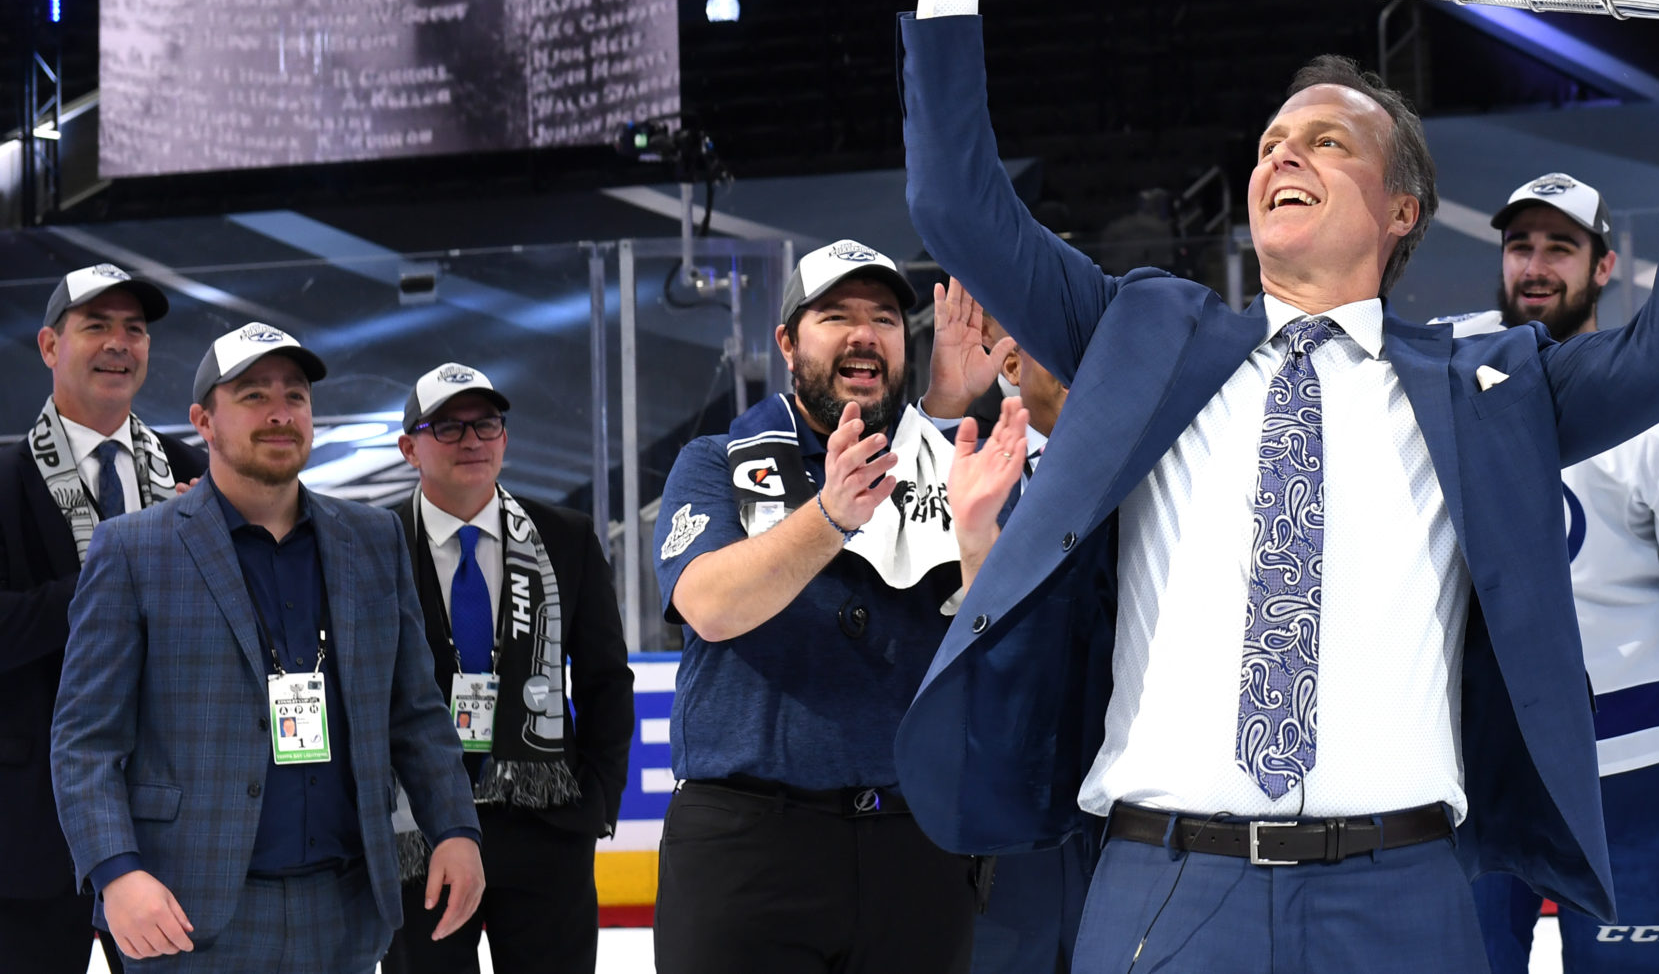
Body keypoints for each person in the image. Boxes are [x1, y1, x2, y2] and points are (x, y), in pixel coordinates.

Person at [887, 0, 1659, 973]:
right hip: (1162, 885)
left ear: (1403, 210)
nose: (1279, 156)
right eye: (1268, 143)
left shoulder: (1483, 384)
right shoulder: (1143, 332)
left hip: (1401, 895)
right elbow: (958, 207)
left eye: (1325, 140)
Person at [51, 322, 483, 970]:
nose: (280, 413)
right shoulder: (133, 549)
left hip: (343, 908)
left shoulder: (371, 540)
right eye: (253, 395)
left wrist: (455, 827)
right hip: (186, 911)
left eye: (296, 396)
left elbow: (415, 710)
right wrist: (116, 872)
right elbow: (86, 740)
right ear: (204, 420)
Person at [1451, 170, 1659, 972]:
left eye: (1560, 247)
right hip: (1473, 770)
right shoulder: (1444, 373)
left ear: (1604, 267)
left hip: (1629, 772)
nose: (1536, 265)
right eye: (1520, 245)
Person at [651, 238, 1004, 974]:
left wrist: (945, 418)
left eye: (882, 317)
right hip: (750, 850)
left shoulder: (951, 465)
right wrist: (830, 516)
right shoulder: (714, 462)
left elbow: (999, 636)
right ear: (786, 342)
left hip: (916, 851)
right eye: (836, 315)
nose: (864, 333)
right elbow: (710, 604)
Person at [381, 363, 633, 974]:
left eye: (486, 424)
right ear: (409, 447)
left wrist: (597, 799)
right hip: (419, 835)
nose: (472, 440)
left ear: (505, 438)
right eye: (448, 427)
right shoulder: (372, 539)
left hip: (544, 824)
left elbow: (605, 679)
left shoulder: (565, 537)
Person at [0, 265, 204, 974]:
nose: (120, 343)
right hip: (31, 831)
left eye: (135, 329)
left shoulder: (195, 477)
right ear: (50, 345)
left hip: (174, 814)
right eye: (97, 326)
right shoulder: (4, 480)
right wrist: (115, 573)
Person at [932, 285, 1097, 974]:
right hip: (1001, 833)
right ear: (1008, 363)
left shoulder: (1143, 465)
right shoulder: (946, 469)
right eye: (1043, 330)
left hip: (1118, 819)